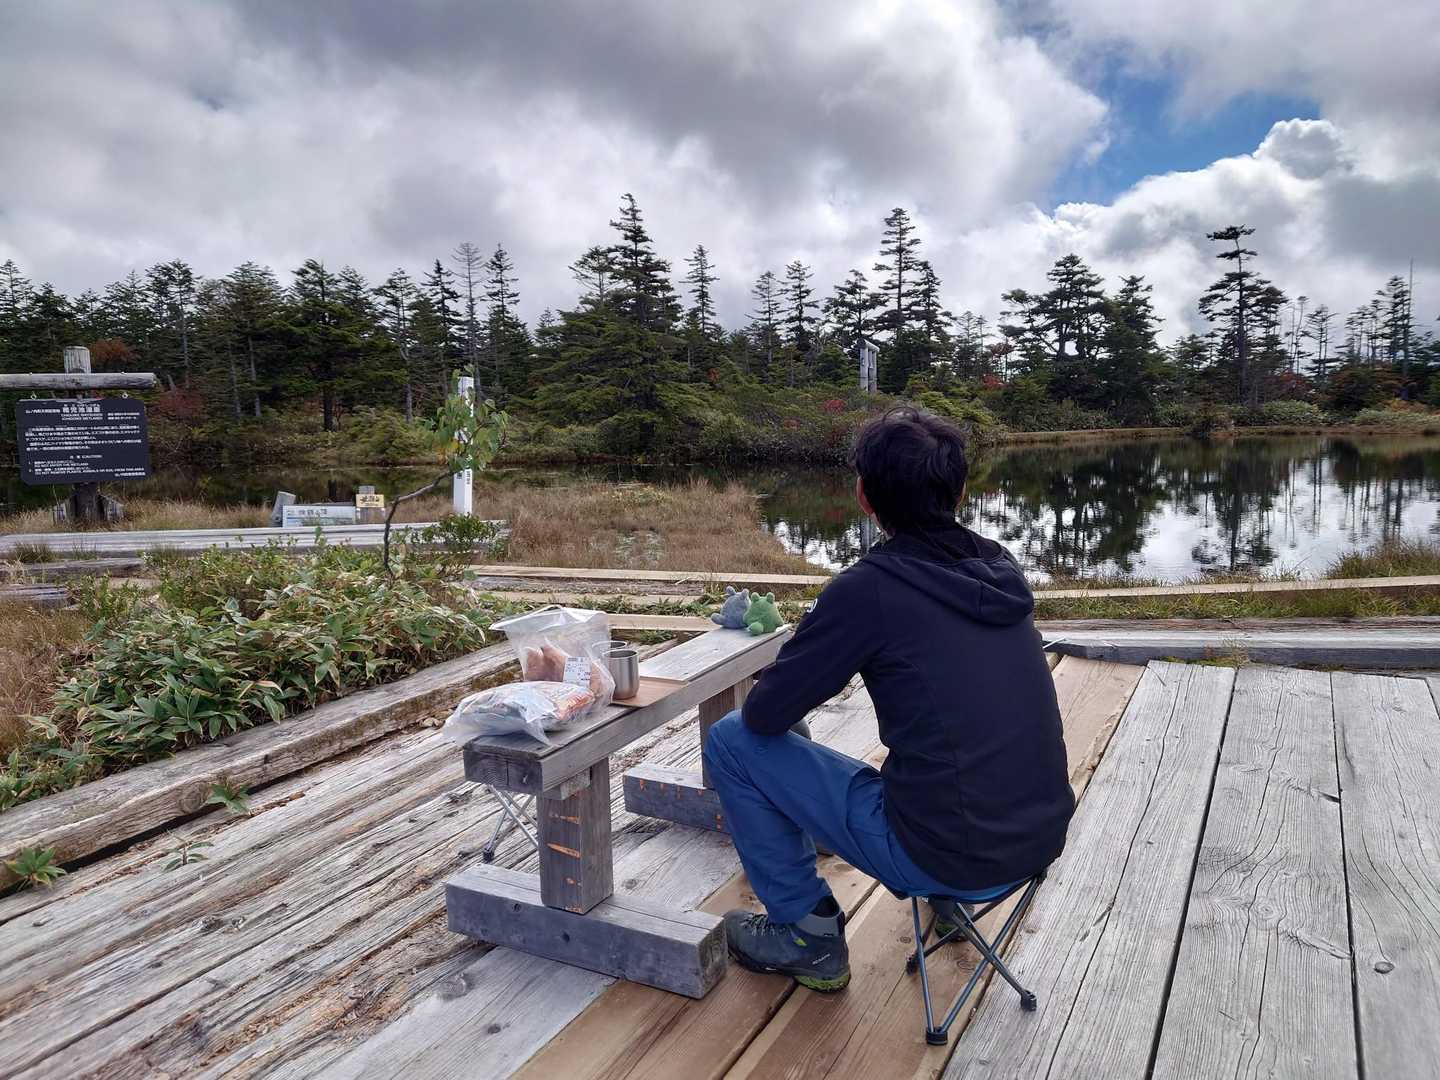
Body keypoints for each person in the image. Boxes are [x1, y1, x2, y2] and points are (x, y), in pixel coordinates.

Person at [704, 407, 1074, 991]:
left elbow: (765, 712)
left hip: (945, 853)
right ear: (959, 490)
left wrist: (815, 639)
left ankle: (808, 937)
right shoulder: (997, 568)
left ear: (863, 495)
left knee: (731, 739)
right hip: (1038, 837)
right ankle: (946, 901)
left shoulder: (869, 589)